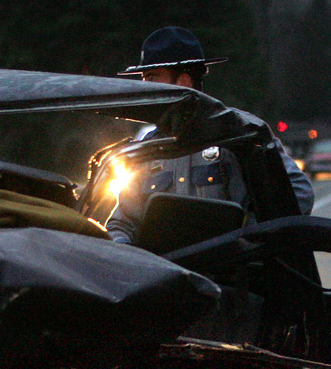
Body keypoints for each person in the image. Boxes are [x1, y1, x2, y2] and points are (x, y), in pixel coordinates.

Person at [105, 26, 313, 244]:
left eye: (152, 79)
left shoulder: (239, 132)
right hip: (167, 274)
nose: (144, 88)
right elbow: (123, 222)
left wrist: (249, 240)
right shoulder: (149, 149)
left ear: (184, 81)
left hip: (229, 275)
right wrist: (124, 252)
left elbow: (298, 193)